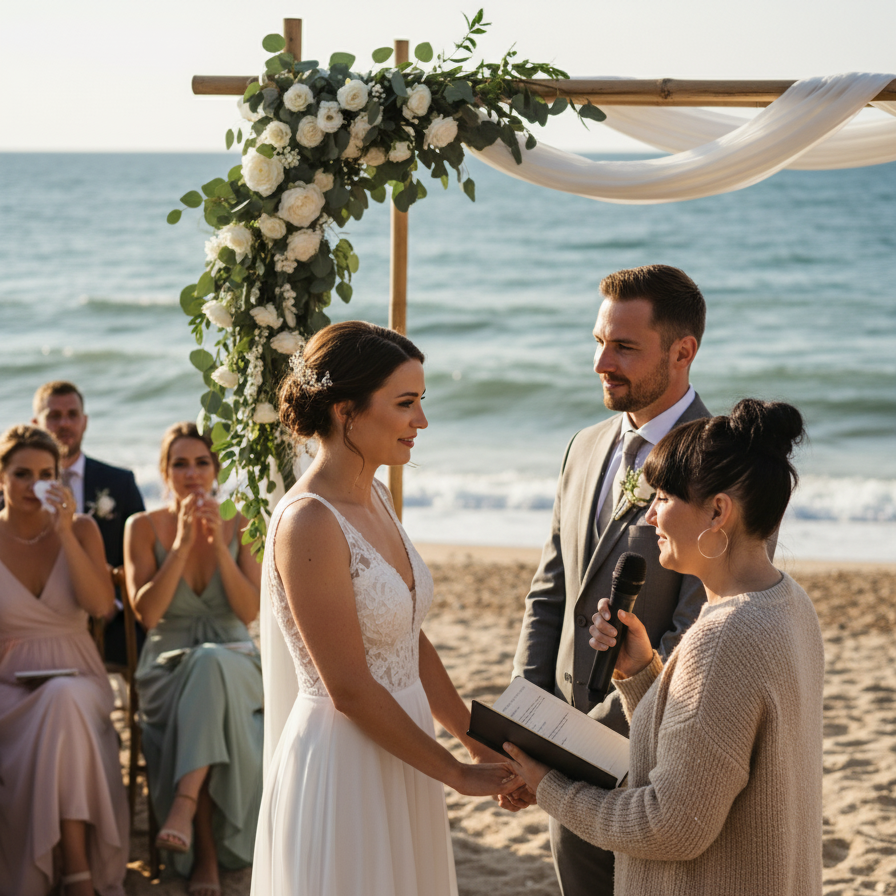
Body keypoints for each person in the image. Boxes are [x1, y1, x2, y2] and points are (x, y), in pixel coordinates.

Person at [504, 399, 823, 896]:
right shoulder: (788, 602)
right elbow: (710, 752)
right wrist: (642, 676)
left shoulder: (723, 638)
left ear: (718, 511)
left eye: (666, 497)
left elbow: (669, 825)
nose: (650, 514)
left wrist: (549, 786)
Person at [251, 321, 521, 896]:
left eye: (421, 402)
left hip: (406, 741)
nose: (421, 421)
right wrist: (454, 773)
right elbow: (348, 686)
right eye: (405, 404)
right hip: (345, 757)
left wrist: (474, 739)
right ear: (347, 410)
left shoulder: (376, 493)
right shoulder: (310, 522)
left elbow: (404, 638)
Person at [511, 264, 713, 894]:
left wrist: (582, 744)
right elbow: (551, 590)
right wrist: (524, 720)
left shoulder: (719, 461)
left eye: (624, 347)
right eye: (599, 342)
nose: (603, 362)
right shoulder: (585, 444)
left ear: (683, 352)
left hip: (653, 758)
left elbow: (696, 629)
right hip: (560, 743)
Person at [124, 423, 263, 896]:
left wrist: (219, 546)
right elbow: (148, 615)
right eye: (179, 464)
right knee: (205, 667)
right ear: (165, 472)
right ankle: (205, 852)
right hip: (167, 662)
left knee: (212, 664)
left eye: (201, 462)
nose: (191, 474)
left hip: (237, 656)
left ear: (216, 469)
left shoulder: (241, 522)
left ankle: (186, 815)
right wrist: (183, 543)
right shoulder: (141, 527)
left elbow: (249, 612)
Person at [0, 425, 128, 896]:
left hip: (80, 674)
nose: (34, 483)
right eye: (21, 474)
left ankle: (70, 863)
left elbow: (98, 607)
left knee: (64, 698)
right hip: (9, 689)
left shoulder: (84, 529)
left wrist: (66, 535)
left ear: (60, 478)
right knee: (59, 703)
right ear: (1, 478)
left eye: (46, 474)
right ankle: (78, 868)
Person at [32, 381, 146, 666]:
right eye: (54, 416)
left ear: (85, 422)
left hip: (109, 613)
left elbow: (139, 553)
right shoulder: (16, 489)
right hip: (37, 607)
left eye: (72, 414)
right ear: (36, 423)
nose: (64, 423)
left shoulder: (120, 482)